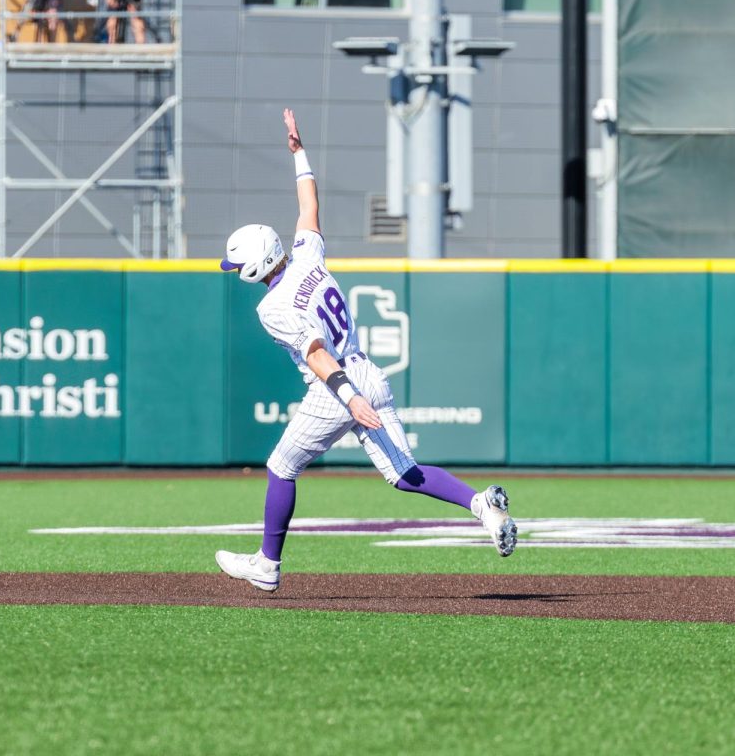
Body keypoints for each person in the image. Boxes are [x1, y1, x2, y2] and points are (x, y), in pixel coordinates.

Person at [214, 109, 518, 592]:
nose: (235, 270)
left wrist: (347, 397)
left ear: (255, 265)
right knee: (404, 472)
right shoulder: (309, 257)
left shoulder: (271, 306)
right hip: (368, 370)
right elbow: (309, 208)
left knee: (281, 466)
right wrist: (299, 154)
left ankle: (267, 566)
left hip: (337, 384)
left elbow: (315, 353)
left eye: (238, 265)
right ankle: (479, 504)